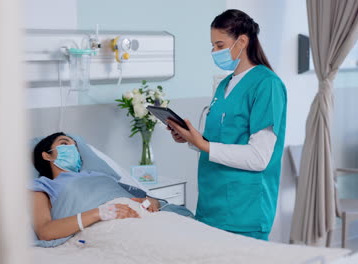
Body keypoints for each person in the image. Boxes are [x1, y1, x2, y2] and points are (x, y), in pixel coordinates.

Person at [166, 9, 287, 241]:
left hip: (244, 211)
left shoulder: (267, 85)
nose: (214, 52)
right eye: (212, 46)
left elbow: (259, 157)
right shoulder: (224, 85)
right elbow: (221, 140)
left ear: (242, 41)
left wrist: (203, 145)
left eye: (220, 45)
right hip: (211, 207)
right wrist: (191, 139)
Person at [31, 132, 162, 242]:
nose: (73, 149)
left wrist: (152, 202)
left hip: (146, 218)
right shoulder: (43, 186)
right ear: (47, 155)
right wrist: (100, 213)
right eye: (64, 143)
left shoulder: (99, 175)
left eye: (75, 147)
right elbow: (45, 231)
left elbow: (143, 197)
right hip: (110, 228)